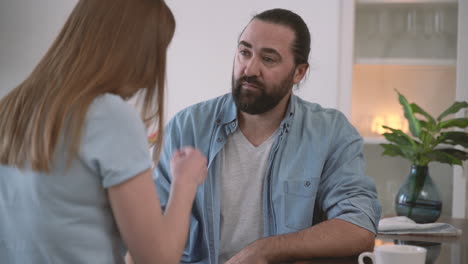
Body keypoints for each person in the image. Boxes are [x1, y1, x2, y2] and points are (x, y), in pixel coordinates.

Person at [154, 8, 381, 264]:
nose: (250, 69)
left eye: (269, 59)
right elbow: (151, 231)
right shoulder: (187, 127)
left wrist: (266, 250)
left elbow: (359, 226)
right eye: (244, 52)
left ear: (299, 73)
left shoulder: (330, 132)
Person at [0, 0, 207, 263]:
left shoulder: (11, 106)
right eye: (157, 52)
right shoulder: (109, 115)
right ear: (138, 51)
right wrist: (185, 182)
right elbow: (158, 258)